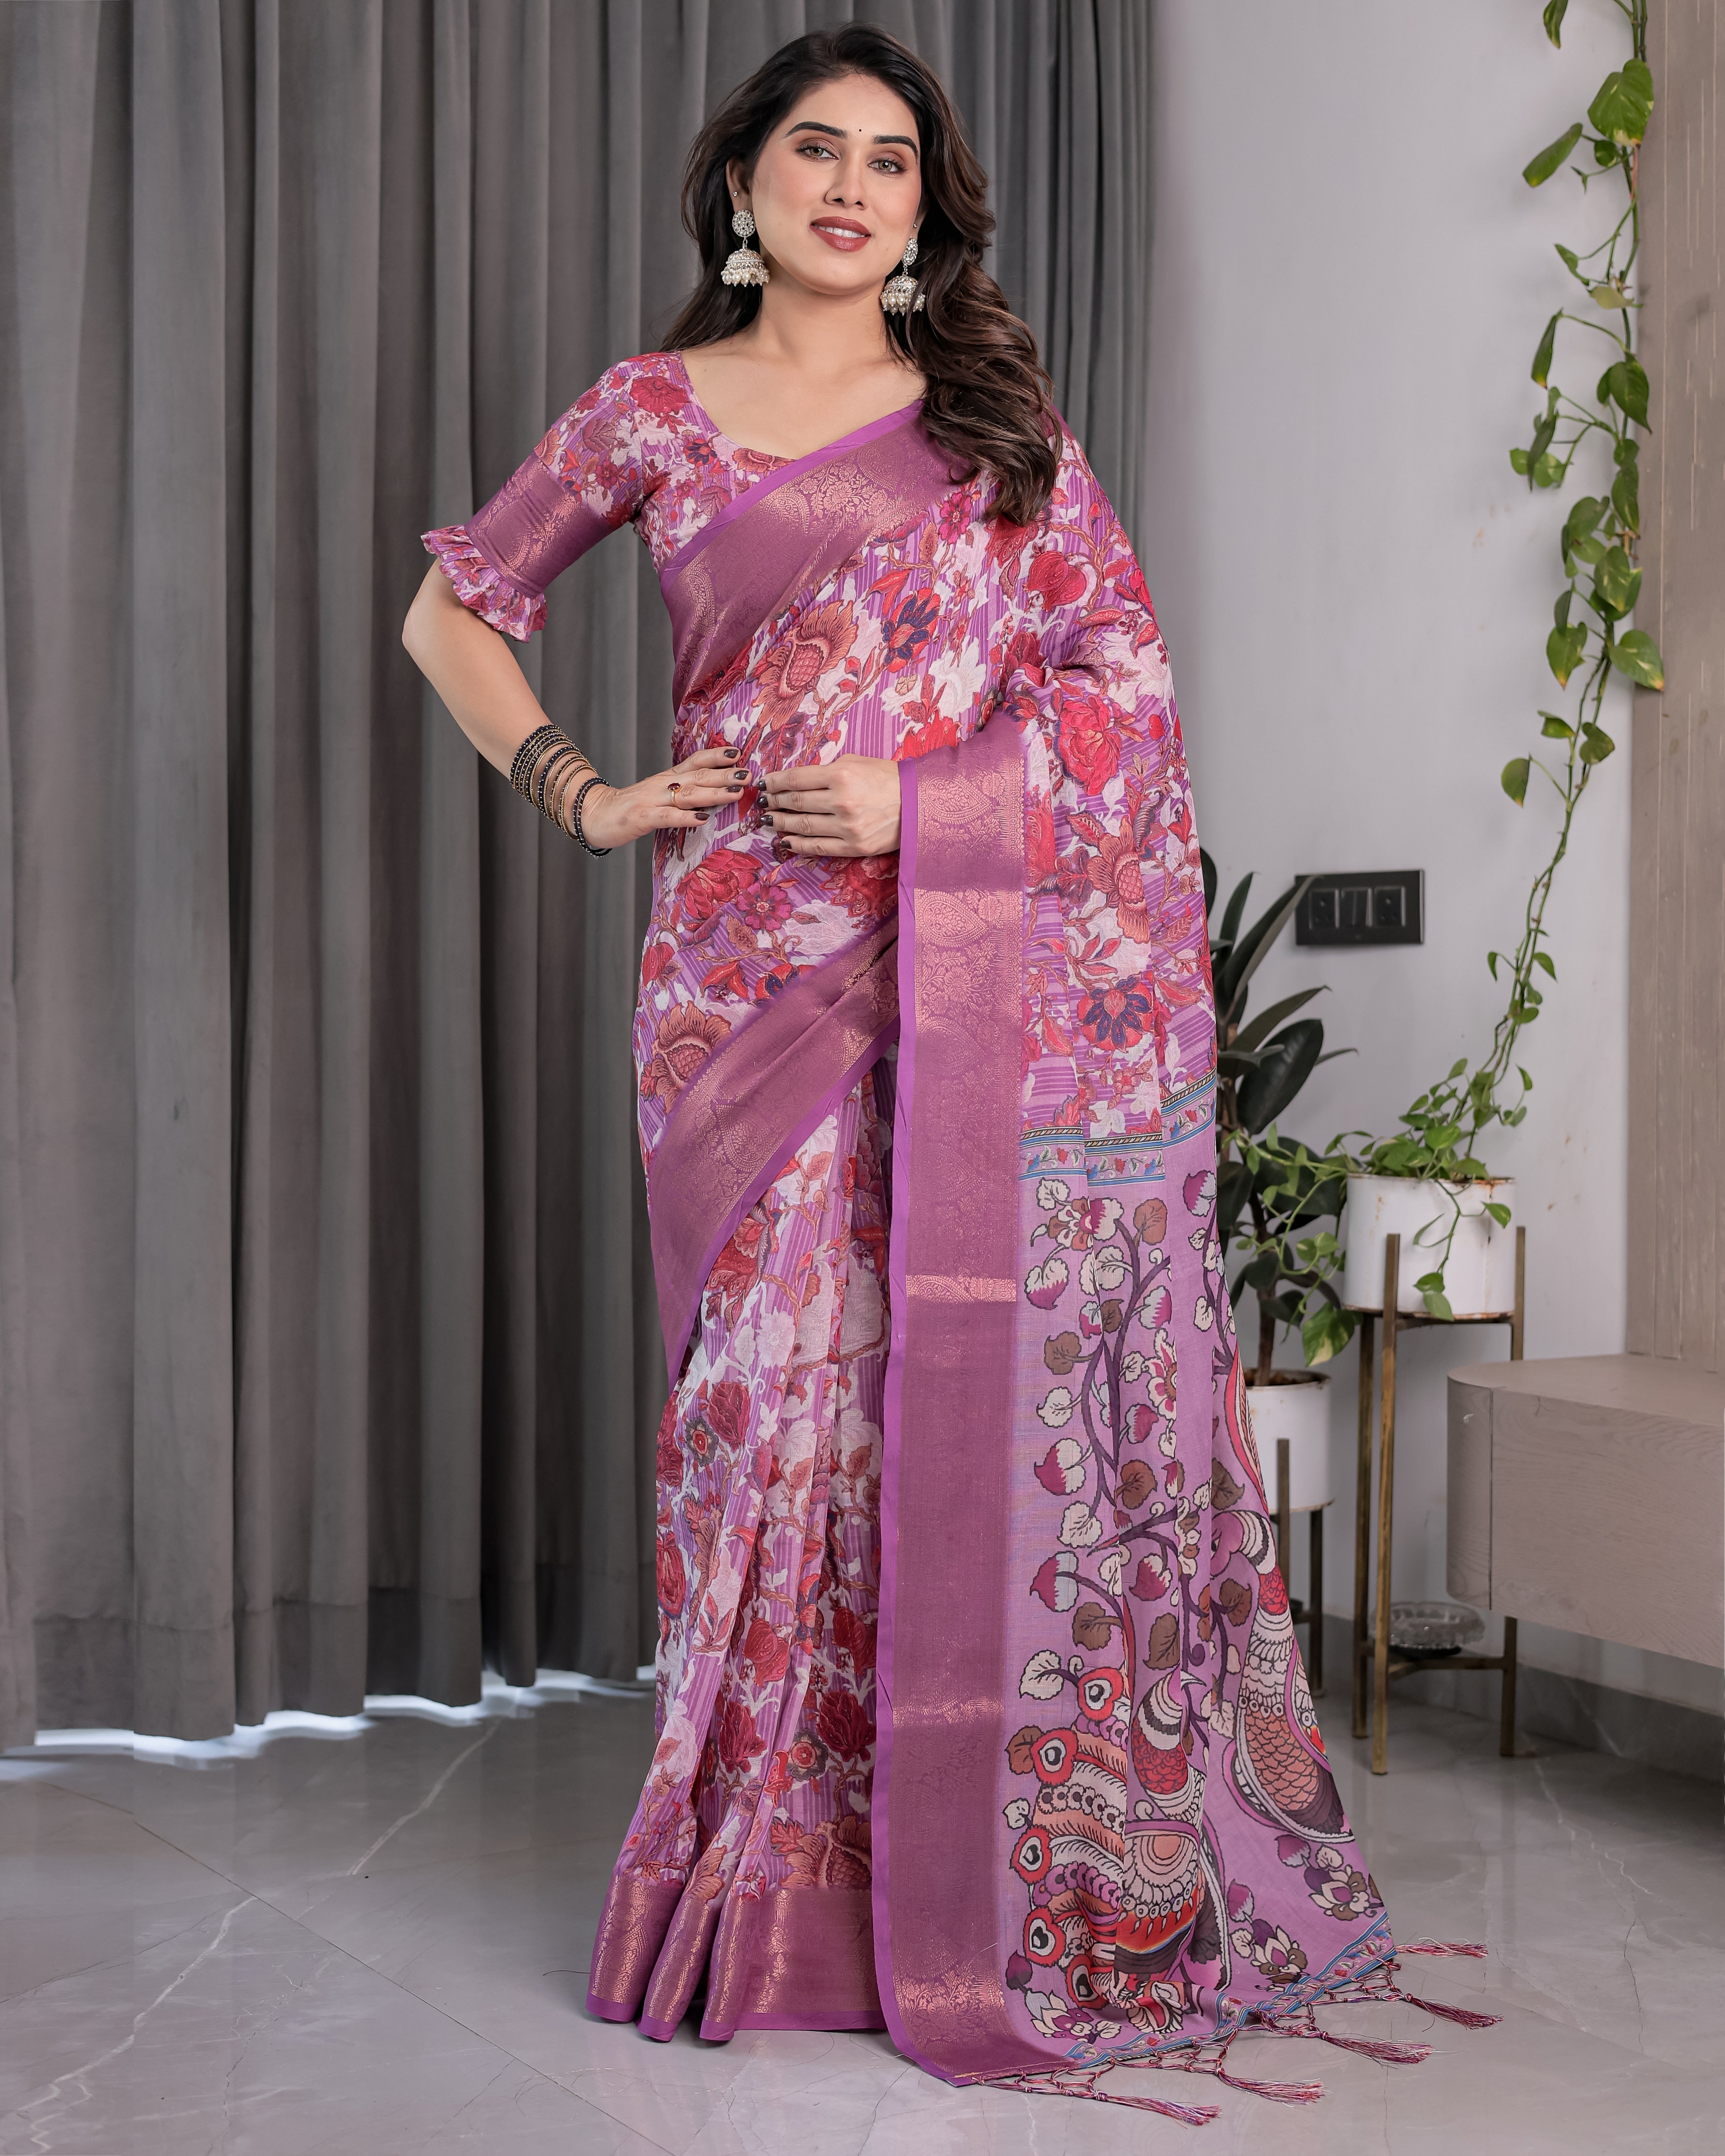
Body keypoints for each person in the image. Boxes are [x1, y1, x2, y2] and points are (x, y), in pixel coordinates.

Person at [404, 23, 1489, 2117]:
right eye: (813, 149)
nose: (850, 186)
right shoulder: (655, 409)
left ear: (927, 215)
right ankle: (763, 1886)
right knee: (763, 1418)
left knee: (943, 1404)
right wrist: (581, 787)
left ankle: (965, 1879)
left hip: (968, 966)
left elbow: (1126, 683)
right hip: (741, 989)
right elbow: (459, 607)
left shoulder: (988, 420)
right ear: (742, 185)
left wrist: (925, 806)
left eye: (891, 163)